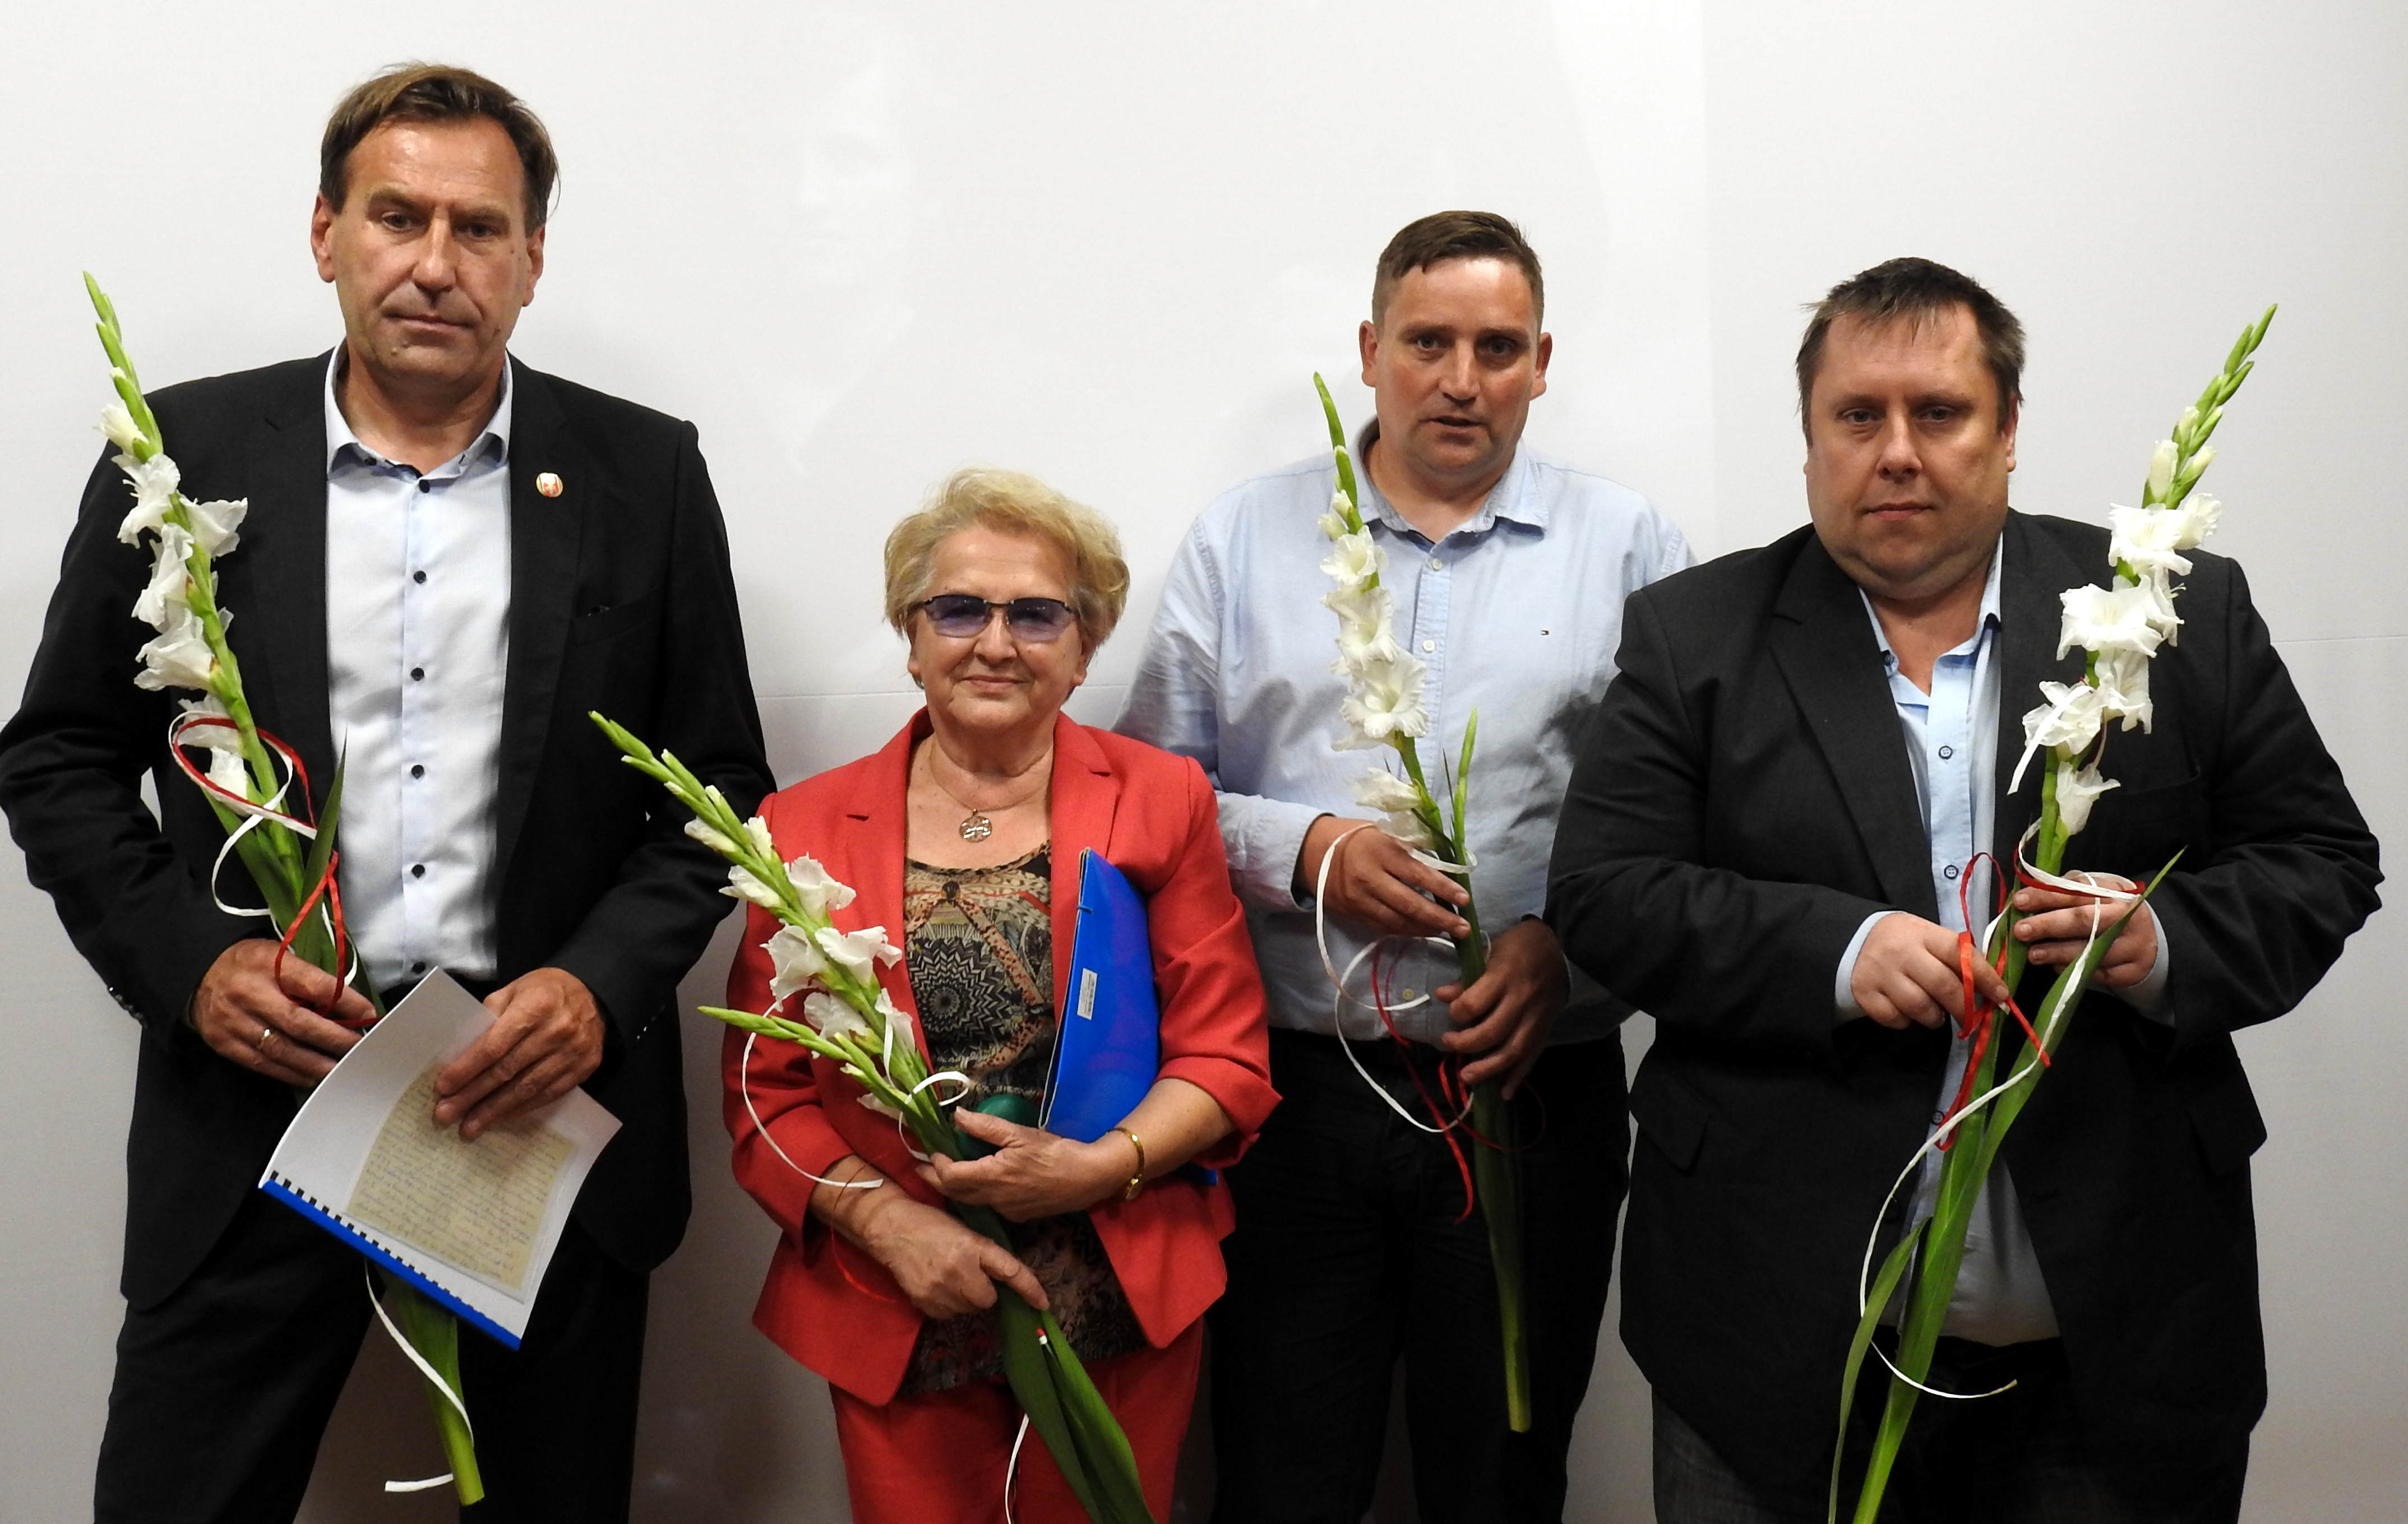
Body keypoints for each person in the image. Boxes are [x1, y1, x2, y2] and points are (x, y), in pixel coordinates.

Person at [0, 64, 771, 1522]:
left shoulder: (644, 474)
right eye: (397, 216)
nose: (434, 262)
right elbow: (57, 754)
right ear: (325, 233)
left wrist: (597, 988)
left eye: (479, 229)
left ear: (532, 260)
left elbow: (717, 786)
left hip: (529, 1107)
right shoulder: (179, 457)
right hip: (259, 1104)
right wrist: (192, 966)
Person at [1547, 256, 2382, 1522]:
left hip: (2118, 1344)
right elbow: (1605, 894)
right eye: (1858, 416)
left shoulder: (2173, 611)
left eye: (1938, 413)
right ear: (1810, 438)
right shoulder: (1694, 633)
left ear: (2007, 432)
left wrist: (2160, 939)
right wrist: (1837, 954)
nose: (1897, 452)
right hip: (1777, 1344)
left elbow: (2321, 857)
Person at [1116, 210, 1691, 1523]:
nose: (1462, 379)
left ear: (1543, 361)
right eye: (1429, 342)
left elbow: (1682, 816)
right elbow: (1146, 796)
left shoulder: (1631, 545)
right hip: (1287, 1095)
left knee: (1501, 1476)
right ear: (1371, 349)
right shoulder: (1242, 537)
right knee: (1281, 1473)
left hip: (1532, 1092)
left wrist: (1568, 944)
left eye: (1498, 347)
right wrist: (1302, 848)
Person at [722, 469, 1278, 1524]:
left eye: (1036, 614)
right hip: (904, 1294)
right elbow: (767, 1096)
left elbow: (1224, 1058)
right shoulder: (799, 828)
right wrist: (892, 1227)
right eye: (959, 609)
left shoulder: (1163, 800)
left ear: (1085, 648)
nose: (995, 642)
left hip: (1116, 1284)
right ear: (911, 634)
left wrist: (1098, 1169)